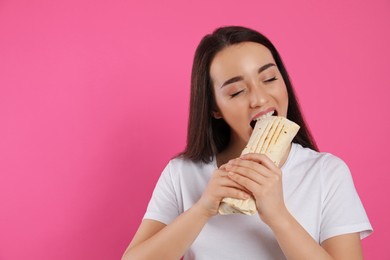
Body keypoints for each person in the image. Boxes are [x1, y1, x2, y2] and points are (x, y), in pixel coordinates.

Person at [122, 26, 372, 259]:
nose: (260, 99)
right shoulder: (182, 174)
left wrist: (278, 216)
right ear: (214, 108)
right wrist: (203, 209)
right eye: (237, 91)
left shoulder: (327, 173)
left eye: (270, 78)